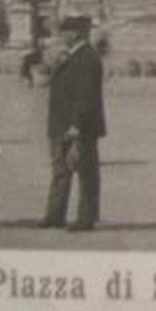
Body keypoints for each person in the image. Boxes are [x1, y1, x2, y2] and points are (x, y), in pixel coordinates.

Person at [42, 14, 107, 232]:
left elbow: (85, 97)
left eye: (66, 31)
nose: (62, 35)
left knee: (86, 171)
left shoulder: (88, 57)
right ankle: (54, 215)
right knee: (61, 170)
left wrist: (76, 126)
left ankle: (86, 218)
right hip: (61, 124)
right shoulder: (71, 55)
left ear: (76, 33)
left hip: (79, 126)